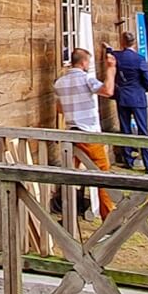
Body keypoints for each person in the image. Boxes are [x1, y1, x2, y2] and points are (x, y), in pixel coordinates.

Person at [52, 47, 115, 217]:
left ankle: (68, 214)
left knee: (71, 177)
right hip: (88, 133)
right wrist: (111, 69)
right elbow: (108, 91)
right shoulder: (87, 79)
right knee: (104, 175)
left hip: (71, 133)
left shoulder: (59, 83)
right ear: (84, 62)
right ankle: (109, 219)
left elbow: (59, 109)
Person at [109, 32, 148, 171]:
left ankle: (128, 159)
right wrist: (142, 90)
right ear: (134, 42)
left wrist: (108, 49)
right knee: (143, 130)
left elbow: (111, 54)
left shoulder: (117, 56)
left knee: (125, 129)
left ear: (122, 42)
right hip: (138, 97)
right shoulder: (139, 59)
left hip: (123, 97)